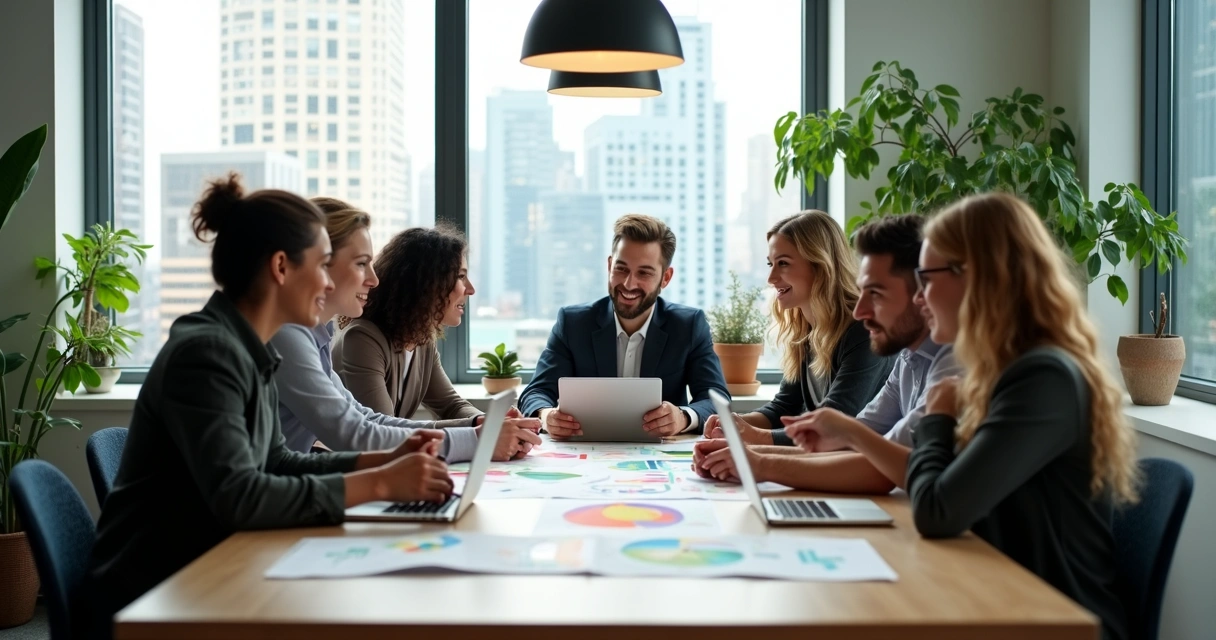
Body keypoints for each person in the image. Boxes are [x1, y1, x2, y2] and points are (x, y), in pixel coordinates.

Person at [84, 176, 454, 639]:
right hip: (158, 591)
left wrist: (383, 460)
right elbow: (242, 497)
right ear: (281, 267)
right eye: (323, 265)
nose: (326, 281)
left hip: (204, 564)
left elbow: (277, 462)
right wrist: (379, 481)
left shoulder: (247, 349)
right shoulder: (208, 354)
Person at [792, 192, 1137, 640]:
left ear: (977, 278)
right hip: (1001, 592)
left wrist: (937, 420)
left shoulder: (1041, 378)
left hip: (1052, 615)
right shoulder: (1002, 368)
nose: (920, 299)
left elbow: (938, 509)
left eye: (928, 280)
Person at [694, 214, 961, 492]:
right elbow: (854, 444)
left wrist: (758, 459)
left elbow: (879, 464)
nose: (860, 311)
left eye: (877, 293)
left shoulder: (951, 365)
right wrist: (749, 456)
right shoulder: (909, 358)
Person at [271, 197, 541, 461]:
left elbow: (367, 420)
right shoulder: (294, 336)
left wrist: (479, 427)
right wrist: (478, 440)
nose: (373, 279)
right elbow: (360, 435)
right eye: (361, 263)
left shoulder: (313, 338)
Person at [517, 214, 729, 437]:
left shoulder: (688, 325)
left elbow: (716, 399)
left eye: (644, 273)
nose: (629, 284)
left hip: (660, 454)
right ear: (609, 265)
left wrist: (684, 417)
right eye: (621, 269)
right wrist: (545, 415)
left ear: (665, 278)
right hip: (585, 453)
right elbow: (536, 392)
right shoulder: (573, 323)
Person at [705, 210, 894, 447]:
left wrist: (754, 437)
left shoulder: (863, 330)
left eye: (783, 263)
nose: (771, 278)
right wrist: (735, 423)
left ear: (820, 265)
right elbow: (784, 407)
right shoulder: (807, 329)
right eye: (770, 264)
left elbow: (830, 427)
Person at [332, 225, 482, 425]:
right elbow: (383, 427)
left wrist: (488, 422)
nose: (470, 289)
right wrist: (476, 427)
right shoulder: (362, 338)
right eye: (461, 276)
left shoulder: (422, 339)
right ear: (427, 283)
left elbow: (451, 405)